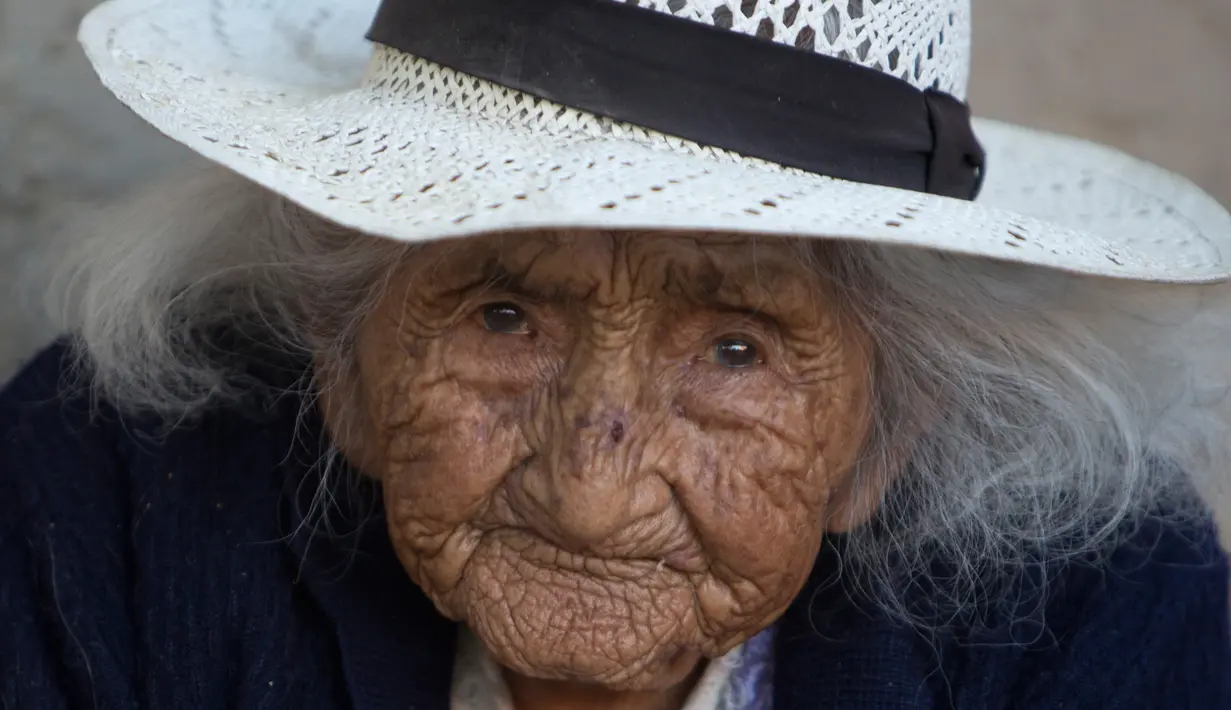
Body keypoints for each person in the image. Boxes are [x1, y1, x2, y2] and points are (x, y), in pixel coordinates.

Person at [3, 0, 1230, 708]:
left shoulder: (1101, 617)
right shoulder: (100, 500)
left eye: (737, 350)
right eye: (502, 317)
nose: (589, 492)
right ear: (345, 358)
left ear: (885, 428)